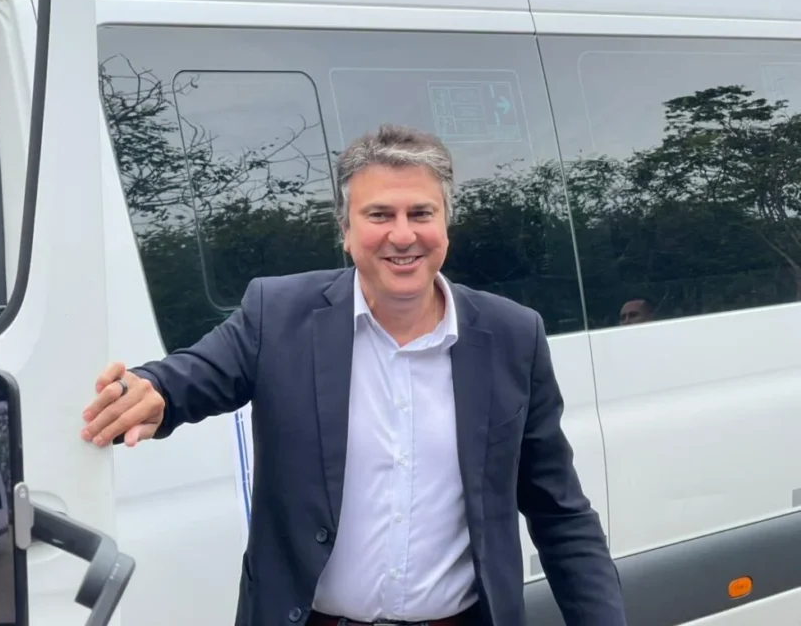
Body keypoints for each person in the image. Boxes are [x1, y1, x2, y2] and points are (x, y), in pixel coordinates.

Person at [81, 124, 627, 626]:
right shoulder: (278, 315)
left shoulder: (512, 337)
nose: (403, 235)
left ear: (445, 224)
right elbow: (194, 373)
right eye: (379, 215)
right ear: (345, 229)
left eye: (421, 213)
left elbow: (560, 513)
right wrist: (152, 390)